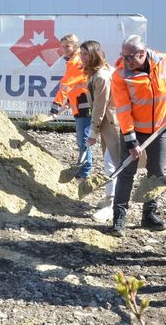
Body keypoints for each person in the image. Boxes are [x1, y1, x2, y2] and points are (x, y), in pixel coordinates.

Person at [109, 35, 166, 236]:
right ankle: (119, 217)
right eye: (123, 56)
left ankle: (149, 215)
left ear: (143, 53)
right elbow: (123, 111)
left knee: (156, 172)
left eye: (130, 57)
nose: (126, 61)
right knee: (127, 172)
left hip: (161, 126)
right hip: (134, 131)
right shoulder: (120, 75)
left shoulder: (164, 61)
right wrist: (131, 141)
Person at [79, 40, 121, 222]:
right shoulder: (96, 73)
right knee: (110, 161)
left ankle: (112, 204)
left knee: (111, 163)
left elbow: (99, 107)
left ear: (95, 54)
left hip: (112, 124)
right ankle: (109, 199)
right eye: (81, 54)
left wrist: (92, 132)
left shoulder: (102, 77)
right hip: (107, 123)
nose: (82, 58)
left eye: (86, 54)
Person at [50, 34, 92, 179]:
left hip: (84, 105)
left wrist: (55, 107)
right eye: (62, 46)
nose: (64, 49)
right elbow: (77, 85)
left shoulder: (76, 62)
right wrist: (68, 103)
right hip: (81, 103)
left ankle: (84, 173)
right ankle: (84, 170)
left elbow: (65, 85)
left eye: (67, 46)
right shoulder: (77, 61)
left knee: (83, 140)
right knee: (84, 139)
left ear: (75, 46)